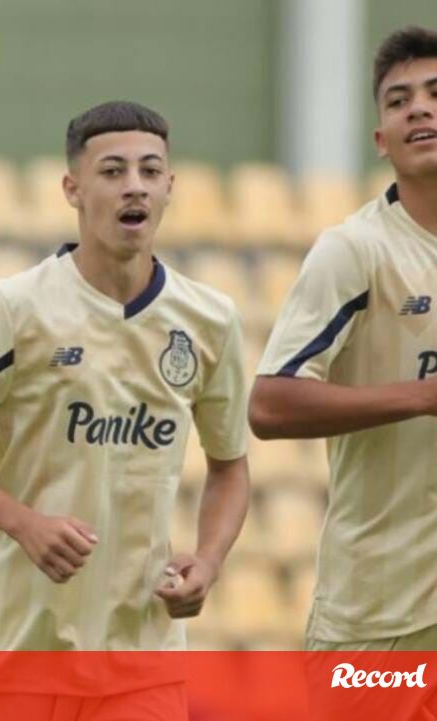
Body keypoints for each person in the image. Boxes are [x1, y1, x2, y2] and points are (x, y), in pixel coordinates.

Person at [0, 101, 250, 721]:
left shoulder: (209, 319)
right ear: (72, 189)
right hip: (24, 650)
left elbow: (230, 466)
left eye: (150, 171)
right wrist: (23, 523)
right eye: (113, 171)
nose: (134, 186)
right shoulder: (14, 308)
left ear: (170, 186)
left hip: (144, 657)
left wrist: (210, 559)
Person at [249, 26, 437, 720]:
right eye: (399, 100)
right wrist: (422, 396)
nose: (420, 108)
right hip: (379, 614)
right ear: (381, 138)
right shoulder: (355, 251)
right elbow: (270, 405)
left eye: (435, 93)